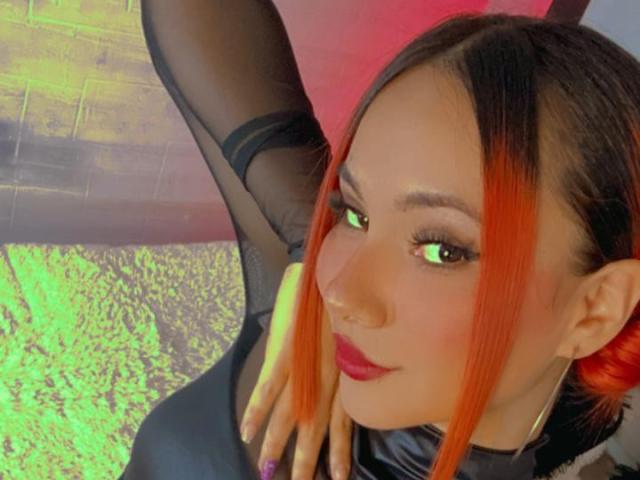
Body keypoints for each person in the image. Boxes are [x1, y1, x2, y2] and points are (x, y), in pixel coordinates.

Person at [118, 1, 640, 479]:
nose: (339, 292)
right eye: (355, 212)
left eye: (442, 249)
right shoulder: (319, 311)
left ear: (595, 310)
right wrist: (306, 242)